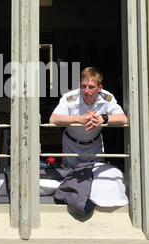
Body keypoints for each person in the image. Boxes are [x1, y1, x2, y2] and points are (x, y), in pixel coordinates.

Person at [49, 67, 129, 209]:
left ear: (99, 88)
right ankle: (74, 206)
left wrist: (103, 119)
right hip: (71, 145)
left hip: (94, 145)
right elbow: (53, 119)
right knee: (70, 178)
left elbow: (123, 119)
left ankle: (94, 208)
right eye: (83, 86)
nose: (86, 91)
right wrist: (78, 119)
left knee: (96, 180)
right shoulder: (70, 97)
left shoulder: (107, 97)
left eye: (91, 87)